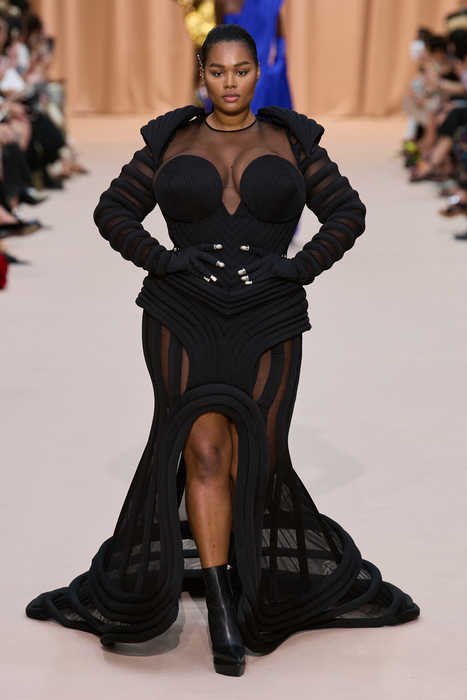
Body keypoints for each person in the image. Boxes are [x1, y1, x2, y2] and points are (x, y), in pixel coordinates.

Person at [26, 24, 419, 677]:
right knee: (204, 451)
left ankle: (247, 579)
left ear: (256, 73)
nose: (229, 82)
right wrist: (163, 261)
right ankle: (221, 609)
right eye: (217, 71)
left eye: (240, 70)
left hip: (269, 315)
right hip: (183, 312)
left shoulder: (291, 140)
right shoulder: (172, 139)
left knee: (256, 456)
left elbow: (347, 212)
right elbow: (114, 210)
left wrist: (296, 268)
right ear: (202, 72)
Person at [216, 0, 292, 111]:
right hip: (234, 70)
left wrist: (278, 66)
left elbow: (279, 37)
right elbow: (218, 42)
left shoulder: (268, 2)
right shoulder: (222, 2)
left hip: (264, 72)